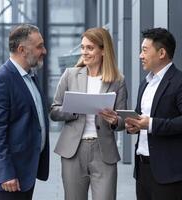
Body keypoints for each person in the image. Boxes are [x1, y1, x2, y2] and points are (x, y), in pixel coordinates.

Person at [124, 28, 182, 200]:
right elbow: (141, 118)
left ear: (161, 53)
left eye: (145, 50)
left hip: (169, 171)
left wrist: (151, 124)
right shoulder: (145, 84)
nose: (140, 55)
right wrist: (131, 125)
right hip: (143, 169)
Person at [50, 27, 127, 200]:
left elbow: (123, 121)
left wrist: (115, 120)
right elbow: (54, 111)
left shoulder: (118, 81)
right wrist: (74, 110)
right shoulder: (70, 75)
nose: (84, 52)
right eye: (83, 47)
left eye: (90, 48)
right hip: (73, 151)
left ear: (103, 50)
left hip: (103, 152)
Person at [0, 24, 49, 200]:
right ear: (22, 50)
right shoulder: (0, 80)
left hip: (25, 172)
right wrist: (6, 173)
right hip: (8, 178)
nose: (44, 51)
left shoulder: (30, 77)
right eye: (39, 46)